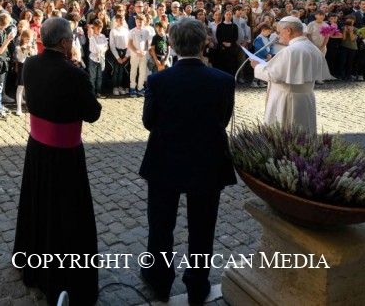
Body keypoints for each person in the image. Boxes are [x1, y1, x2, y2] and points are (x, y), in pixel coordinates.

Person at [139, 17, 236, 304]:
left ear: (171, 43)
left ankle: (159, 279)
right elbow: (223, 120)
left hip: (165, 159)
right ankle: (197, 283)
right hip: (208, 160)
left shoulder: (158, 80)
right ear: (205, 43)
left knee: (161, 225)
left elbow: (149, 122)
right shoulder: (224, 80)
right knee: (203, 228)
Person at [13, 17, 102, 306]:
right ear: (64, 43)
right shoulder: (74, 74)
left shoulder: (31, 64)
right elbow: (93, 113)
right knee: (64, 212)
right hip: (64, 155)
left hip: (37, 149)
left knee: (38, 204)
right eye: (71, 39)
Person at [251, 16, 332, 135]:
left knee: (285, 135)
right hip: (306, 99)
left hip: (286, 99)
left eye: (279, 32)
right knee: (304, 134)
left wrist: (257, 66)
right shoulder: (314, 48)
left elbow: (273, 75)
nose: (278, 36)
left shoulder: (289, 51)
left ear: (288, 30)